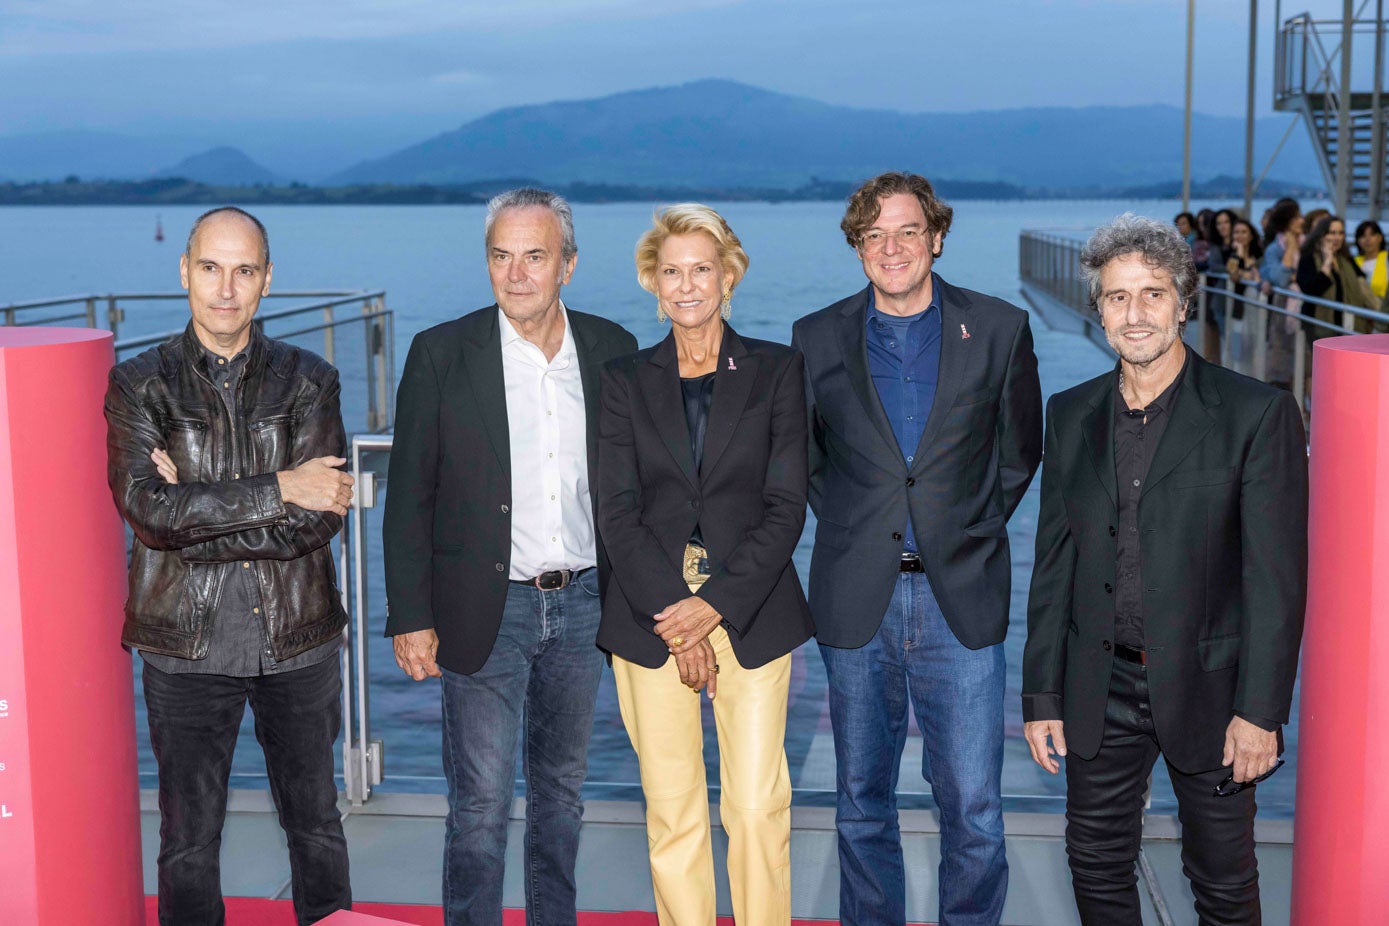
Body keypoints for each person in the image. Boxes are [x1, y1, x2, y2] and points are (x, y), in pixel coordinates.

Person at [1022, 214, 1308, 925]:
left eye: (1152, 294)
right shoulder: (1068, 414)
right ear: (1097, 311)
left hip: (1214, 694)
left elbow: (1275, 582)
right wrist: (1040, 696)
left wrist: (1260, 713)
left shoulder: (1256, 414)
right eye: (1117, 298)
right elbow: (1053, 563)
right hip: (1100, 684)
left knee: (1220, 877)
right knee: (1093, 862)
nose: (1135, 314)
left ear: (1183, 303)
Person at [792, 171, 1043, 926]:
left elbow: (1018, 451)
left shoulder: (999, 328)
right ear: (856, 247)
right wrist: (862, 528)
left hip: (956, 598)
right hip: (854, 597)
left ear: (935, 237)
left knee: (972, 805)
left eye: (906, 231)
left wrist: (958, 528)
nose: (890, 248)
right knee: (860, 803)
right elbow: (807, 464)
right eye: (873, 235)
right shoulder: (813, 337)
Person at [382, 188, 636, 926]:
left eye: (534, 256)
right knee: (482, 802)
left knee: (561, 791)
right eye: (501, 256)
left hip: (587, 602)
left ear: (568, 265)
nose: (516, 273)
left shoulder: (612, 348)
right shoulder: (440, 353)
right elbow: (410, 497)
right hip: (483, 607)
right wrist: (410, 613)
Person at [104, 206, 355, 926]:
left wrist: (192, 505)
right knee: (187, 839)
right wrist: (278, 488)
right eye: (210, 268)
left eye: (243, 270)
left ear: (266, 280)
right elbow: (149, 515)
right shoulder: (139, 384)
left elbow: (320, 521)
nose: (225, 288)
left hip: (299, 639)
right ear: (184, 272)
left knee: (315, 827)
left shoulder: (310, 380)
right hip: (182, 646)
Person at [596, 204, 814, 926]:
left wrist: (712, 607)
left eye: (700, 269)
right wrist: (678, 623)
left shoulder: (778, 371)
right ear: (652, 285)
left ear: (728, 277)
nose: (686, 285)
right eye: (671, 272)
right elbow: (616, 512)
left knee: (754, 808)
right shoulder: (622, 380)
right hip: (648, 617)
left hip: (749, 610)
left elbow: (785, 506)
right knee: (674, 812)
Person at [1296, 214, 1378, 334]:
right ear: (1321, 235)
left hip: (1348, 323)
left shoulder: (1346, 259)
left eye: (1340, 233)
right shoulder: (1309, 258)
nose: (1337, 237)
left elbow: (1362, 285)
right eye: (1332, 233)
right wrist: (1327, 262)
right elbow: (1310, 289)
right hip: (1318, 324)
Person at [1353, 219, 1387, 303]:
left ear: (1380, 238)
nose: (1367, 239)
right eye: (1363, 236)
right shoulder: (1353, 262)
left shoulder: (1387, 258)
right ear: (1358, 241)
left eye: (1372, 235)